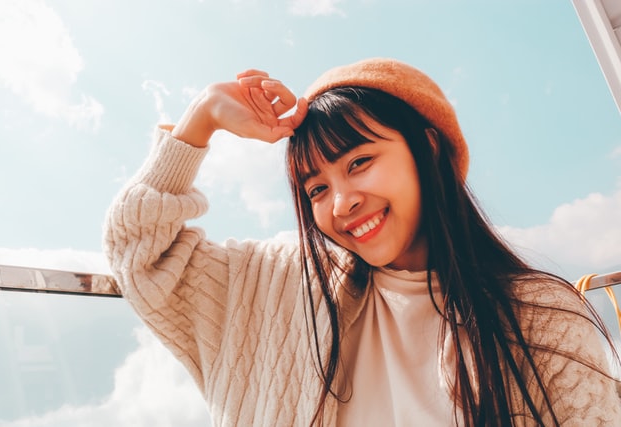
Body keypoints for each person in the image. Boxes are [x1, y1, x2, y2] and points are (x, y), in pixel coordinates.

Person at [103, 58, 621, 426]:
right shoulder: (282, 285)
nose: (341, 202)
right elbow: (141, 255)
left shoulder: (540, 314)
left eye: (360, 162)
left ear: (428, 148)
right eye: (317, 188)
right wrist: (203, 116)